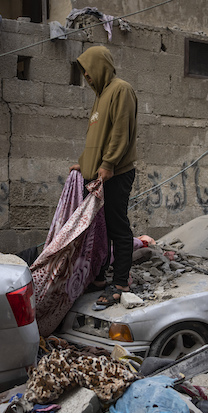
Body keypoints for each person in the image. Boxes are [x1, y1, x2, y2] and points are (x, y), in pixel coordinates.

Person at [68, 45, 137, 308]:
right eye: (83, 72)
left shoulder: (121, 90)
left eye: (89, 69)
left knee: (116, 226)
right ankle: (97, 278)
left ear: (101, 66)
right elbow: (96, 140)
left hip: (116, 173)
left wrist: (108, 164)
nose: (86, 76)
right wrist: (84, 164)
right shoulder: (100, 97)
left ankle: (120, 282)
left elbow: (120, 132)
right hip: (99, 174)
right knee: (98, 229)